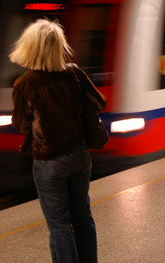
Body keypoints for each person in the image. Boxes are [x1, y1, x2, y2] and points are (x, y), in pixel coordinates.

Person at [10, 19, 105, 263]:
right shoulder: (74, 73)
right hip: (80, 156)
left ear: (30, 47)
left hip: (49, 161)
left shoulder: (25, 84)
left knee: (60, 225)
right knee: (82, 215)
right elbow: (99, 103)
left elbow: (21, 126)